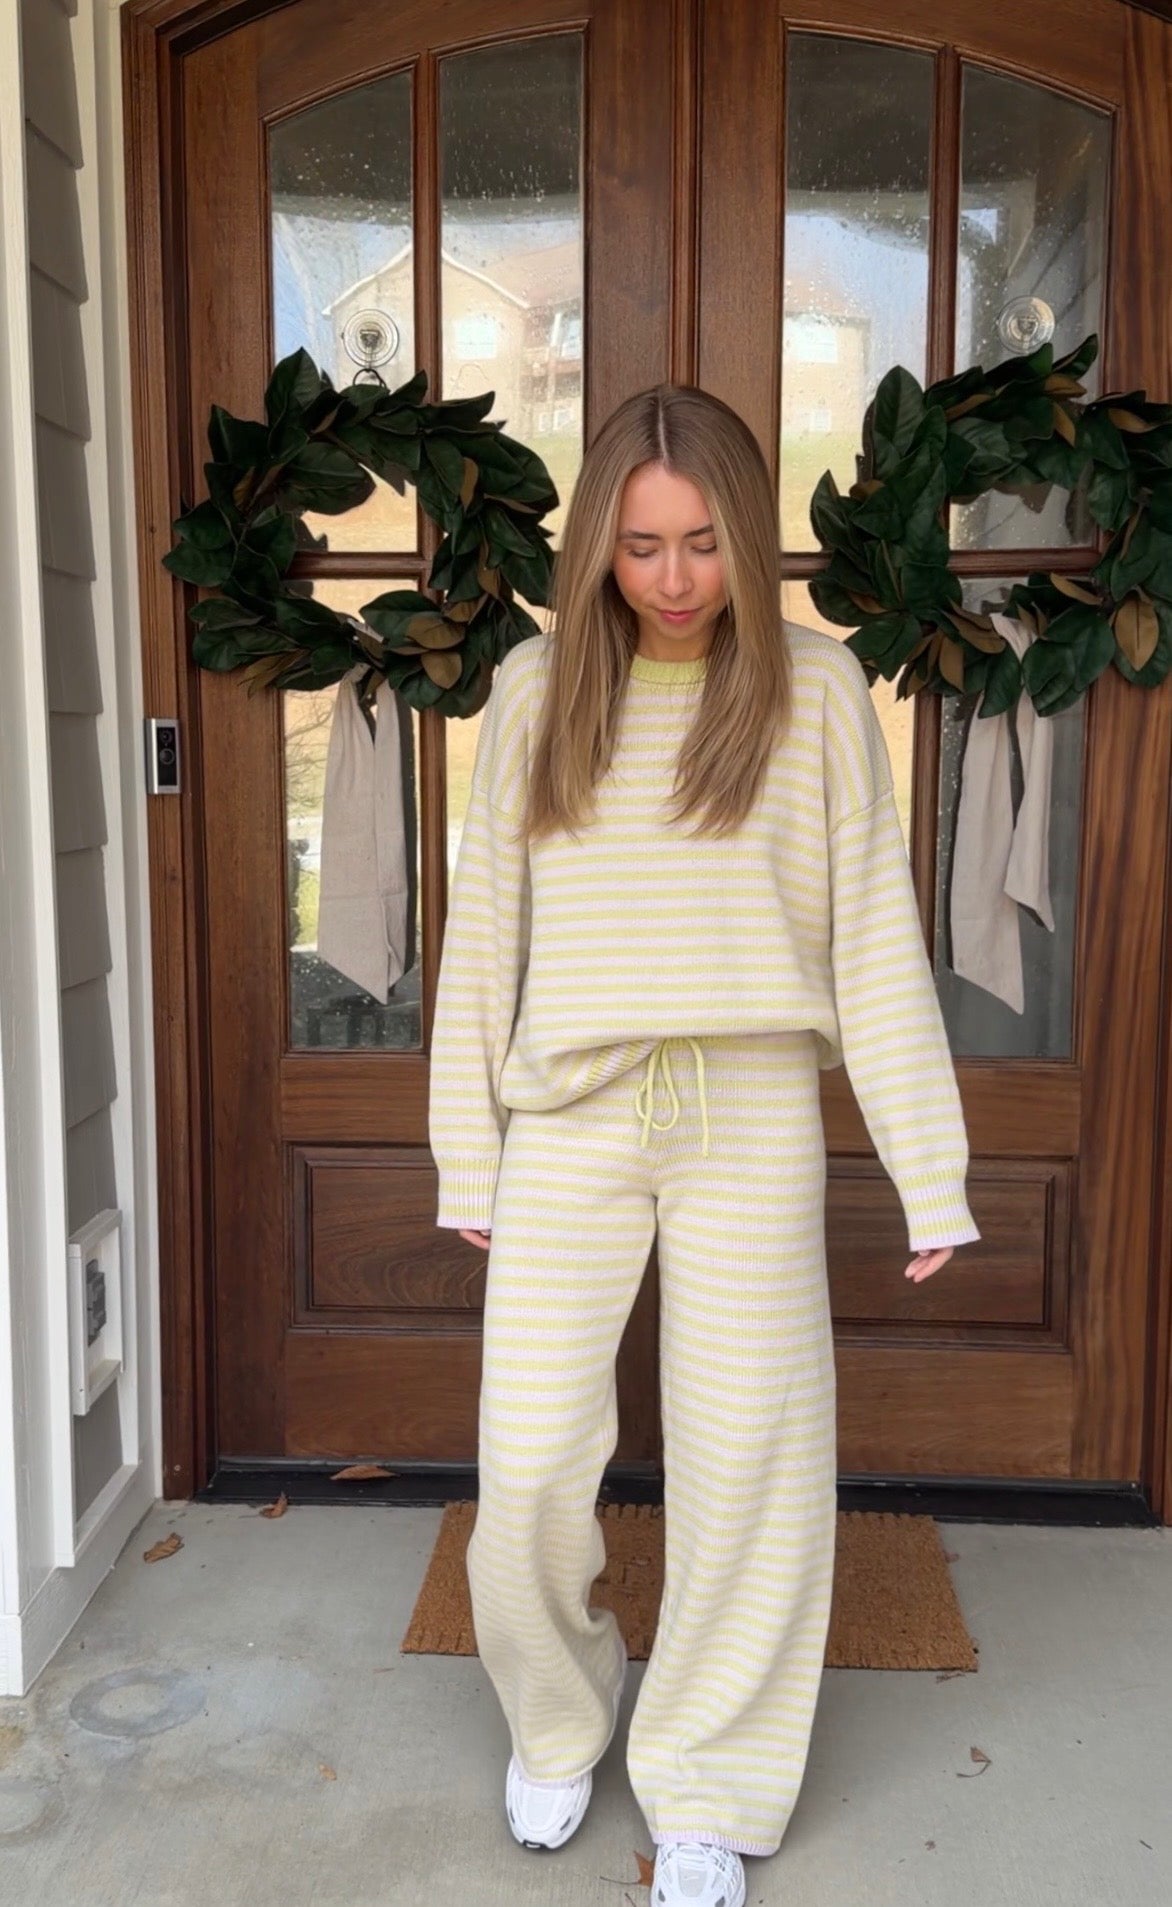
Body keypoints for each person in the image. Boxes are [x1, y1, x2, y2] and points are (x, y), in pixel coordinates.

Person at [428, 383, 980, 1907]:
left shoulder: (812, 695)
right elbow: (489, 939)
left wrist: (928, 1164)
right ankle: (559, 1711)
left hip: (748, 1112)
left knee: (753, 1465)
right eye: (640, 546)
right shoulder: (539, 694)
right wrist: (465, 1151)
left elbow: (874, 940)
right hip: (572, 1116)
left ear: (749, 538)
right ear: (599, 542)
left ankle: (710, 1789)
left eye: (704, 546)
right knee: (533, 1461)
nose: (672, 580)